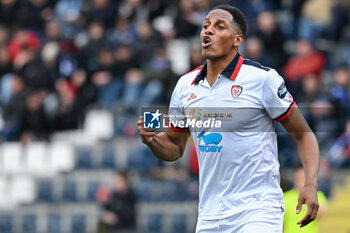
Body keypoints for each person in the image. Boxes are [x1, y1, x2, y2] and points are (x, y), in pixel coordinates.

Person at [138, 4, 320, 233]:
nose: (208, 31)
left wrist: (310, 184)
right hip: (209, 216)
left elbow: (304, 135)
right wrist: (152, 141)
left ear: (237, 39)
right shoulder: (185, 86)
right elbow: (175, 145)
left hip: (258, 209)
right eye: (205, 26)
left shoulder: (262, 79)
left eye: (219, 26)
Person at [284, 166, 327, 233]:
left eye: (304, 179)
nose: (302, 182)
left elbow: (322, 214)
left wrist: (308, 195)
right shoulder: (285, 197)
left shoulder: (316, 195)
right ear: (295, 180)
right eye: (299, 179)